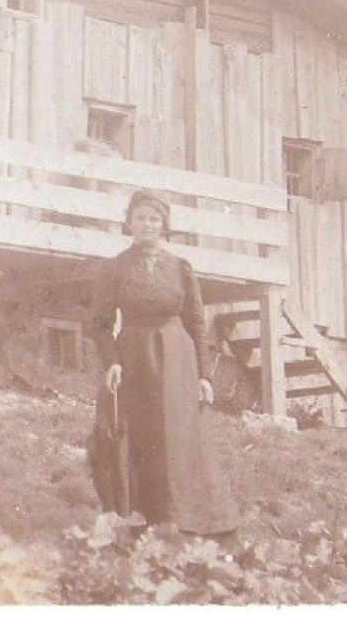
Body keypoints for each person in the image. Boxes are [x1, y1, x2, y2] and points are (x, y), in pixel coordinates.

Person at [87, 190, 238, 535]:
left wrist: (203, 375)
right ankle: (138, 516)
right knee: (138, 433)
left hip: (176, 360)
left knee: (177, 435)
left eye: (154, 219)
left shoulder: (180, 268)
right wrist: (111, 362)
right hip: (133, 357)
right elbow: (99, 324)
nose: (146, 224)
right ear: (129, 224)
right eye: (140, 218)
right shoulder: (114, 268)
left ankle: (187, 519)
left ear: (164, 225)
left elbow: (197, 322)